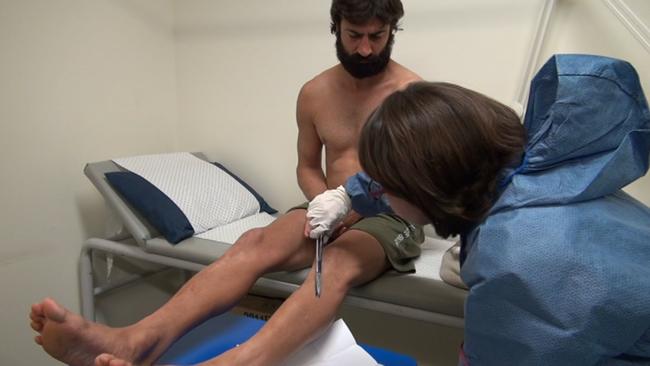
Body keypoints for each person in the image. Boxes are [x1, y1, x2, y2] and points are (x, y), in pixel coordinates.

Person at [29, 1, 424, 365]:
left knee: (336, 263)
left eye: (378, 36)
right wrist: (325, 201)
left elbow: (411, 179)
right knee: (253, 243)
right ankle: (132, 340)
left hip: (389, 215)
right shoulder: (315, 93)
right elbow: (307, 165)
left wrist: (349, 207)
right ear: (336, 28)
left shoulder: (411, 94)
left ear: (393, 30)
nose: (367, 49)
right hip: (326, 208)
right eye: (355, 35)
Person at [308, 54, 650, 365]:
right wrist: (348, 195)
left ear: (423, 188)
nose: (379, 190)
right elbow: (421, 170)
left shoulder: (515, 256)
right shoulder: (531, 175)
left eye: (384, 184)